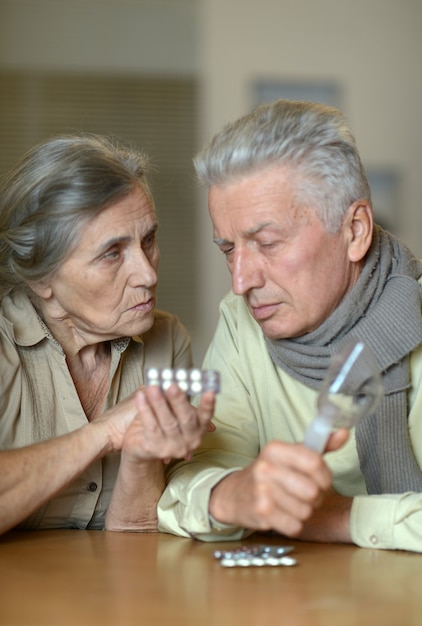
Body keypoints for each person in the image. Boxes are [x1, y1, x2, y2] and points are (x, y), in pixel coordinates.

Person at [158, 99, 422, 552]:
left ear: (355, 230)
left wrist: (336, 516)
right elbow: (191, 480)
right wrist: (231, 495)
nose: (241, 281)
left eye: (267, 242)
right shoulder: (241, 322)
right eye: (228, 249)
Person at [0, 133, 216, 535]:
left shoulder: (166, 342)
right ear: (42, 276)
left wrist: (140, 456)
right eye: (112, 254)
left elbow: (138, 533)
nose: (148, 274)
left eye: (148, 240)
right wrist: (103, 433)